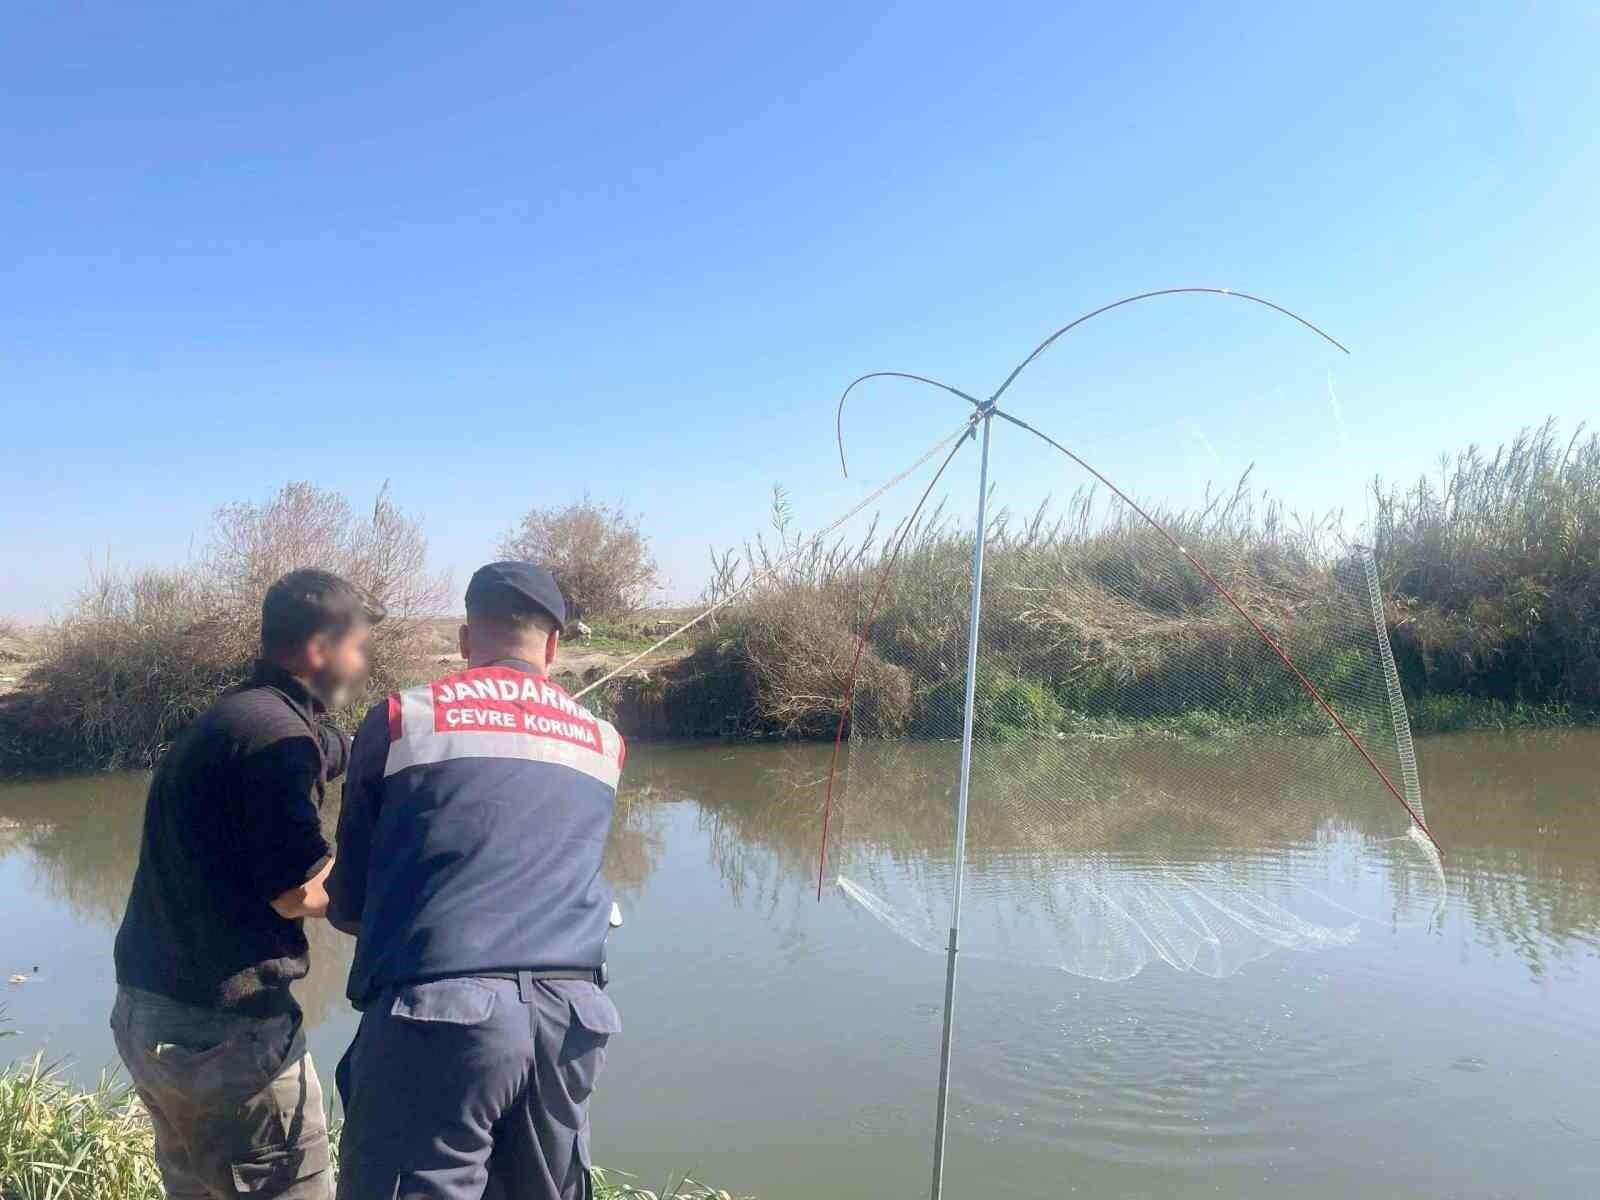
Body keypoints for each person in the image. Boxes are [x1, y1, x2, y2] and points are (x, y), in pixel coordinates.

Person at [328, 562, 624, 1200]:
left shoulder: (403, 719)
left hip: (441, 1017)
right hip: (572, 1019)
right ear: (552, 646)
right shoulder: (604, 740)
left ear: (466, 642)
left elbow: (351, 899)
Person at [111, 568, 384, 1200]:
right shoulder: (278, 740)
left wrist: (372, 749)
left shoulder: (242, 718)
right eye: (358, 646)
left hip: (152, 1018)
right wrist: (394, 897)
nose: (364, 660)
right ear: (321, 650)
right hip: (226, 1038)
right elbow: (300, 892)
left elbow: (319, 747)